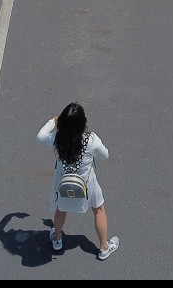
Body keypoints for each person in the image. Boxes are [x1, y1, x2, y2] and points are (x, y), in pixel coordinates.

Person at [37, 103, 119, 261]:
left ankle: (57, 239)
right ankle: (104, 247)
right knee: (99, 210)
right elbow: (105, 155)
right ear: (83, 123)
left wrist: (53, 120)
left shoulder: (56, 140)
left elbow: (40, 136)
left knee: (61, 210)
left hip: (64, 184)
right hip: (87, 185)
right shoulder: (91, 140)